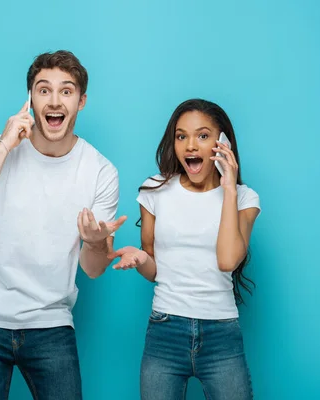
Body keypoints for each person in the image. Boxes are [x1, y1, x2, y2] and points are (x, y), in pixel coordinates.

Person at [0, 50, 126, 400]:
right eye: (44, 90)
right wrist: (4, 146)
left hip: (51, 326)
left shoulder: (101, 171)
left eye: (67, 91)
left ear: (81, 101)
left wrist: (93, 242)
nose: (55, 100)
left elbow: (92, 269)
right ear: (30, 98)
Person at [109, 99, 261, 400]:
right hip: (165, 330)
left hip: (221, 334)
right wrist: (141, 259)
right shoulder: (155, 190)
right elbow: (154, 270)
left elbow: (227, 260)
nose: (190, 145)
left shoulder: (244, 198)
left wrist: (228, 188)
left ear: (223, 143)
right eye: (181, 136)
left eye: (203, 136)